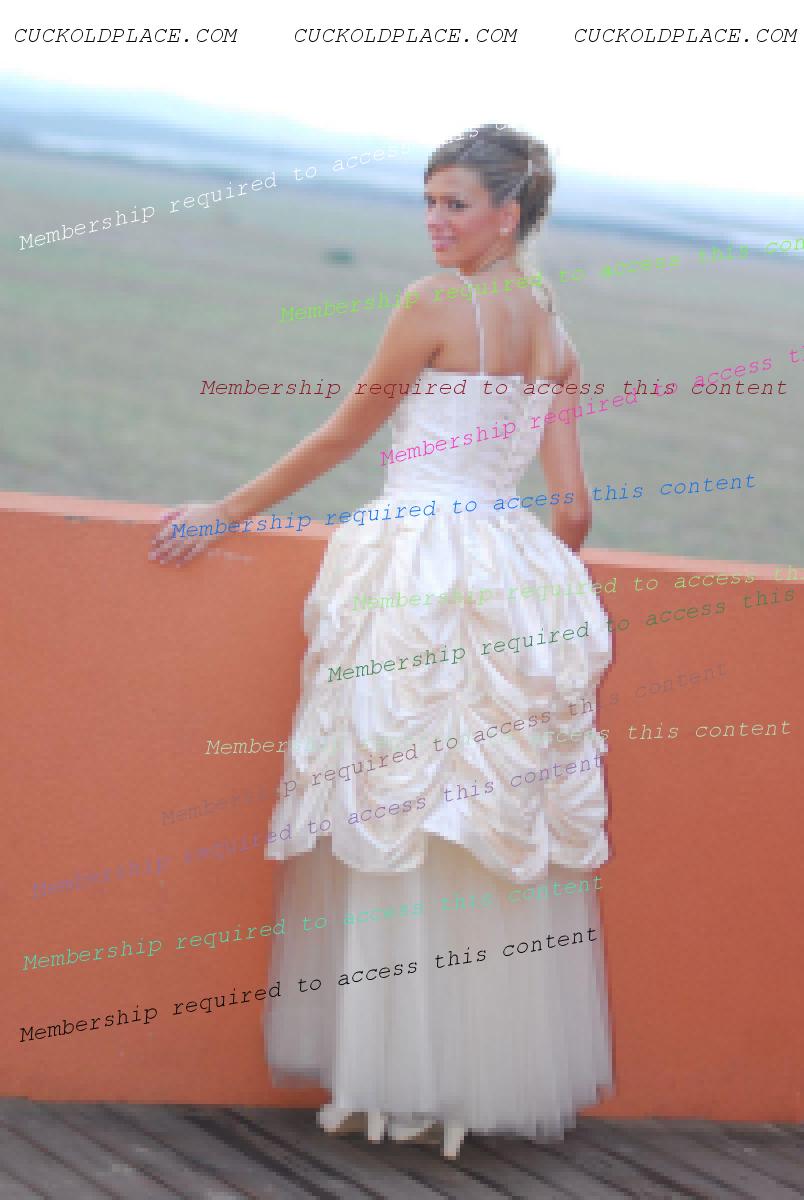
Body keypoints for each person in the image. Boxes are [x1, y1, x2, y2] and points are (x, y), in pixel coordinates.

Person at [149, 124, 613, 1159]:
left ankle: (389, 1075)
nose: (434, 221)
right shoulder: (554, 328)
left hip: (413, 572)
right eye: (429, 201)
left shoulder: (432, 303)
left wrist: (224, 512)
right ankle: (463, 1081)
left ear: (507, 215)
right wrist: (527, 592)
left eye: (455, 204)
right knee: (481, 826)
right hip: (509, 571)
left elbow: (344, 434)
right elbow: (574, 510)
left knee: (394, 812)